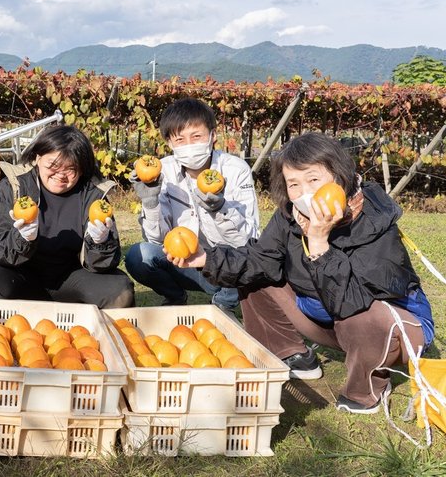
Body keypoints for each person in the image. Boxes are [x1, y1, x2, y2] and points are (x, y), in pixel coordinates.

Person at [171, 132, 434, 414]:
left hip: (394, 331)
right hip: (330, 319)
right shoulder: (292, 216)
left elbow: (353, 302)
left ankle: (366, 389)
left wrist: (320, 242)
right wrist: (205, 258)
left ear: (340, 177)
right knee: (256, 277)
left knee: (365, 317)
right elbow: (259, 260)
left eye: (313, 179)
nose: (304, 192)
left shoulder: (375, 224)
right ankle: (292, 355)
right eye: (293, 184)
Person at [0, 125, 135, 309]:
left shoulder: (95, 195)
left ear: (82, 169)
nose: (60, 175)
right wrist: (21, 239)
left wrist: (99, 242)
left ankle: (95, 332)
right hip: (19, 274)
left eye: (70, 169)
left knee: (119, 290)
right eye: (53, 166)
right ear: (38, 158)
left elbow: (106, 262)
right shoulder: (14, 186)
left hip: (72, 277)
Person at [125, 98, 259, 310]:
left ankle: (221, 308)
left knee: (244, 264)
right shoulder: (164, 172)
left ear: (212, 136)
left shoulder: (235, 170)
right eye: (180, 139)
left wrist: (219, 209)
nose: (189, 146)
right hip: (184, 262)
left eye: (196, 137)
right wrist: (150, 202)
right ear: (170, 143)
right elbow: (156, 240)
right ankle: (175, 297)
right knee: (139, 256)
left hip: (221, 264)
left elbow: (246, 240)